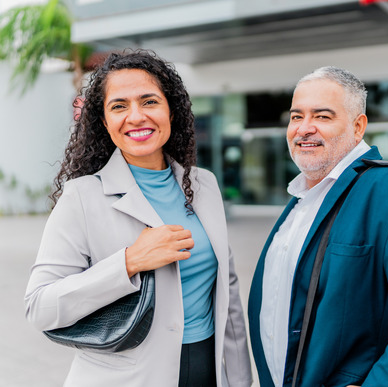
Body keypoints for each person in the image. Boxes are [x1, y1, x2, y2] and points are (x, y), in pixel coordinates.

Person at [24, 50, 252, 387]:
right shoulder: (82, 197)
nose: (136, 116)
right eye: (119, 106)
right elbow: (40, 307)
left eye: (149, 102)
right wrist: (129, 262)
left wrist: (240, 379)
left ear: (170, 110)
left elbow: (227, 295)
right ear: (104, 122)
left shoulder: (204, 185)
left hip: (207, 368)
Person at [247, 66, 388, 387]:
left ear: (358, 127)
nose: (304, 128)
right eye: (297, 116)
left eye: (323, 117)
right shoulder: (301, 199)